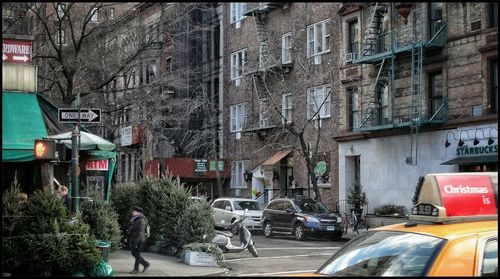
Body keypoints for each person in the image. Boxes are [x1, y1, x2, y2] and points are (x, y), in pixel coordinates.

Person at [128, 206, 150, 274]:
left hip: (138, 239)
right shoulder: (136, 218)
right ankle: (146, 264)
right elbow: (133, 228)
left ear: (138, 213)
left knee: (137, 254)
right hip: (135, 238)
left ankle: (136, 269)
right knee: (134, 253)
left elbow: (140, 232)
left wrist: (135, 241)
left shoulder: (141, 220)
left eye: (134, 212)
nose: (132, 213)